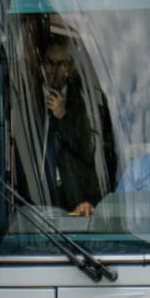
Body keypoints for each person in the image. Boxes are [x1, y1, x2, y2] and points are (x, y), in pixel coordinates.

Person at [29, 36, 112, 215]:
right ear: (42, 65)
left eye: (62, 64)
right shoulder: (29, 101)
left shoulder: (84, 101)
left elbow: (89, 151)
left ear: (70, 68)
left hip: (78, 198)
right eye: (50, 63)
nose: (55, 70)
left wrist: (64, 117)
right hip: (40, 196)